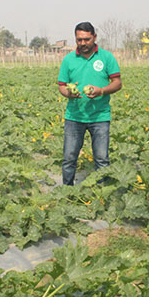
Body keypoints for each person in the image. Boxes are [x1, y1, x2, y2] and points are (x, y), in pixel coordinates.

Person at [57, 22, 122, 185]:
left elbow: (117, 83)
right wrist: (69, 93)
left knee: (101, 159)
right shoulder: (68, 59)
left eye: (86, 39)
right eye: (79, 40)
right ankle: (67, 191)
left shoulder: (107, 57)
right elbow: (62, 86)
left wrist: (101, 91)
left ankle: (101, 194)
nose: (83, 43)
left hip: (100, 116)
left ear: (94, 37)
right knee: (69, 158)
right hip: (74, 116)